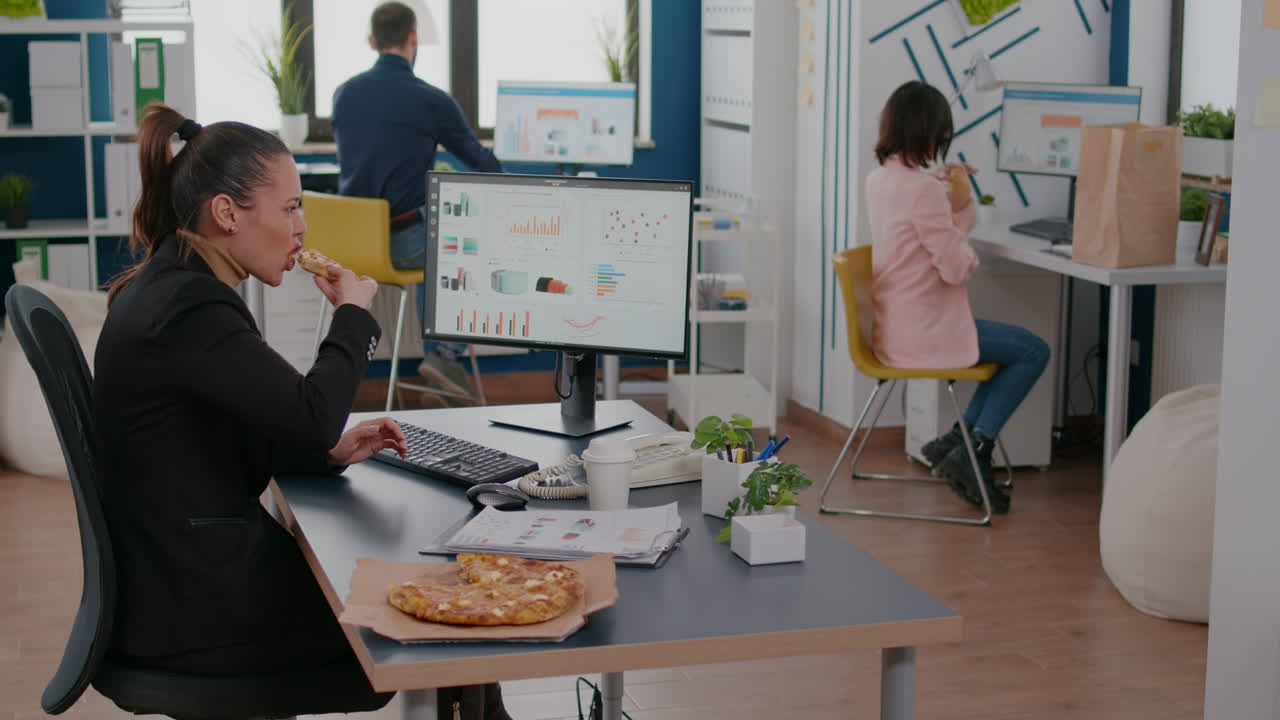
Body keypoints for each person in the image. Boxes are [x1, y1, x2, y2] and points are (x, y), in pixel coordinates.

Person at [94, 103, 405, 710]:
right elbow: (313, 412)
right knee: (419, 626)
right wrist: (355, 315)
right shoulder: (191, 309)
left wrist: (327, 448)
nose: (301, 228)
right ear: (226, 213)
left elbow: (223, 431)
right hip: (197, 608)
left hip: (176, 582)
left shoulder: (174, 284)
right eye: (290, 207)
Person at [865, 81, 1050, 514]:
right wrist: (958, 211)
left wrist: (957, 202)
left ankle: (960, 442)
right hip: (923, 334)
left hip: (895, 326)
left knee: (1018, 348)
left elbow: (930, 230)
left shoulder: (880, 180)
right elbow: (955, 266)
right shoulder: (922, 189)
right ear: (932, 133)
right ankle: (971, 443)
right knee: (1032, 350)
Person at [332, 0, 503, 405]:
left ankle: (441, 371)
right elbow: (479, 160)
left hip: (353, 247)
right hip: (403, 242)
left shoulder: (344, 94)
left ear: (372, 41)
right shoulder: (430, 99)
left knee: (436, 238)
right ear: (414, 38)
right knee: (469, 248)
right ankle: (445, 358)